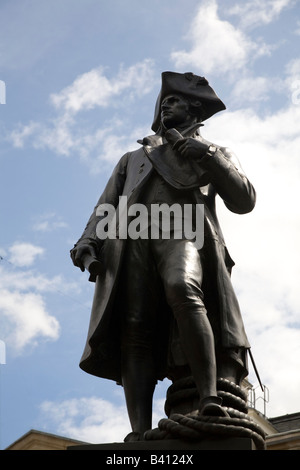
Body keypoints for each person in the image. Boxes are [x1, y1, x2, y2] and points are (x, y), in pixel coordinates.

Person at [70, 71, 256, 441]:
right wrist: (88, 240)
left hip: (184, 232)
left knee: (183, 288)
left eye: (174, 101)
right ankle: (138, 432)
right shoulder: (134, 158)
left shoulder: (213, 152)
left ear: (194, 109)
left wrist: (211, 157)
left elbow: (244, 200)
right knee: (135, 326)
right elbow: (106, 205)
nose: (165, 106)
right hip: (133, 238)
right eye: (165, 101)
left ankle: (209, 398)